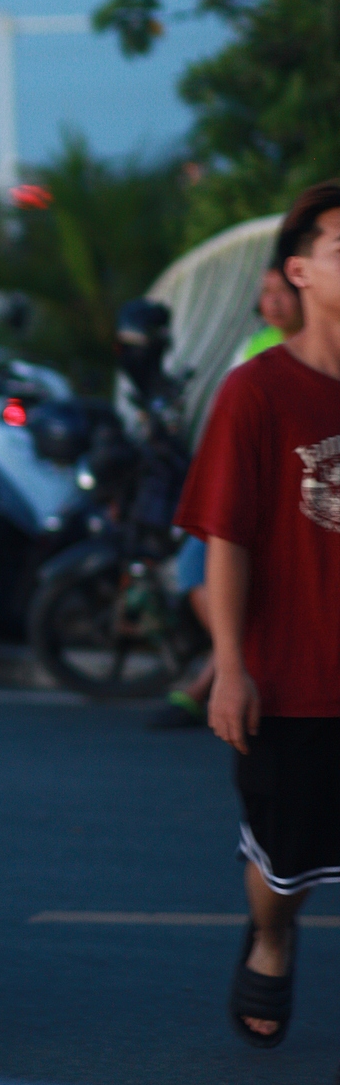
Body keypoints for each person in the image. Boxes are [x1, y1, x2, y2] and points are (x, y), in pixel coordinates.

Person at [175, 182, 340, 1050]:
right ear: (300, 272)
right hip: (293, 674)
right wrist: (229, 663)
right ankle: (273, 936)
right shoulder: (258, 392)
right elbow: (226, 539)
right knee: (286, 866)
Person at [150, 259, 304, 731]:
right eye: (265, 292)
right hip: (243, 484)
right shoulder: (254, 348)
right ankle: (231, 666)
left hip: (286, 495)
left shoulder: (317, 354)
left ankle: (214, 677)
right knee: (195, 563)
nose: (272, 302)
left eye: (282, 291)